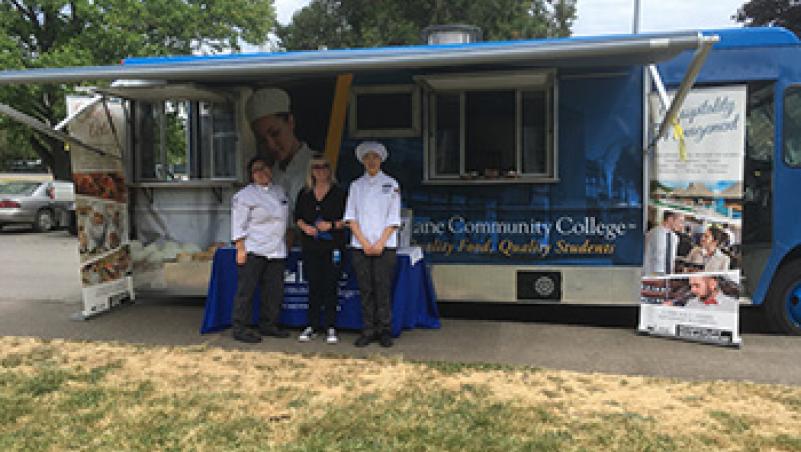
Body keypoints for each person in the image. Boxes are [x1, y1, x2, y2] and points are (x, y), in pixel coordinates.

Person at [344, 141, 401, 348]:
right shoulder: (356, 186)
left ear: (381, 160)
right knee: (365, 290)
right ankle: (368, 330)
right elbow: (351, 218)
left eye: (374, 157)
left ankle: (384, 330)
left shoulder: (392, 184)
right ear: (362, 161)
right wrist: (365, 242)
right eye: (367, 157)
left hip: (384, 246)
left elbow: (393, 219)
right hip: (361, 246)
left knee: (382, 289)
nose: (371, 161)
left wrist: (379, 243)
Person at [229, 157, 291, 343]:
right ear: (251, 174)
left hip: (277, 250)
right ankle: (240, 327)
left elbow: (286, 220)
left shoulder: (280, 192)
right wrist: (240, 249)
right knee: (246, 291)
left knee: (273, 291)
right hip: (254, 249)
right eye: (257, 170)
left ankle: (269, 324)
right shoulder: (244, 196)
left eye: (265, 168)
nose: (262, 172)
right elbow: (237, 225)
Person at [294, 154, 347, 344]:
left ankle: (331, 326)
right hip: (311, 247)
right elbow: (297, 217)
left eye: (324, 166)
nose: (321, 170)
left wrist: (331, 225)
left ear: (330, 170)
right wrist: (305, 228)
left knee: (330, 285)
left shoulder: (340, 193)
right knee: (313, 285)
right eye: (316, 167)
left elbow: (348, 221)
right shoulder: (305, 193)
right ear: (311, 171)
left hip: (333, 246)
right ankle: (312, 325)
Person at [246, 88, 315, 214]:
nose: (271, 145)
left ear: (290, 122)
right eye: (262, 140)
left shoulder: (317, 166)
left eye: (275, 133)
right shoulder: (268, 175)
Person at [643, 211, 684, 275]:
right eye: (680, 221)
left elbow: (672, 260)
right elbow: (651, 259)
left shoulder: (675, 238)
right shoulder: (654, 234)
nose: (681, 225)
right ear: (670, 219)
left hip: (667, 277)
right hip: (652, 276)